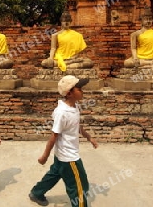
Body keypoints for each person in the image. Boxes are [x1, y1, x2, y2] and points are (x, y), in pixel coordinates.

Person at [29, 75, 98, 207]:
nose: (82, 91)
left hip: (63, 154)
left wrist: (89, 137)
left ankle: (36, 193)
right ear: (69, 93)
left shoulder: (75, 107)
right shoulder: (62, 112)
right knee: (79, 187)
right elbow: (54, 136)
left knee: (55, 174)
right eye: (79, 89)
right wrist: (45, 155)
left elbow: (77, 125)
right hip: (68, 156)